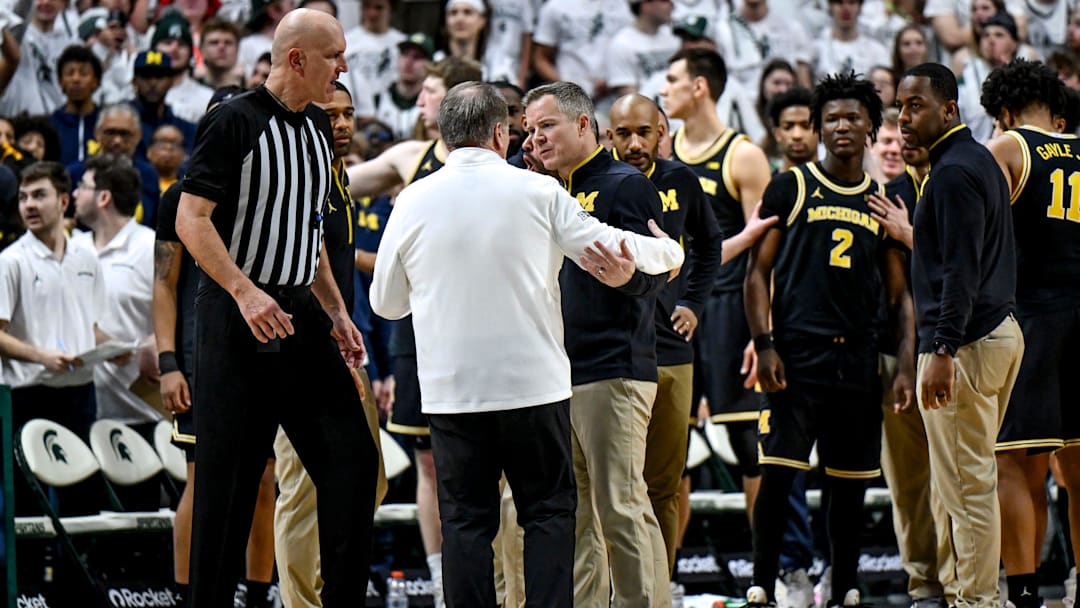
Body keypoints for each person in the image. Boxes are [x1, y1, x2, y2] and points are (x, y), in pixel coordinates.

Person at [373, 79, 684, 608]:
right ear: (501, 133)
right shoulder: (539, 192)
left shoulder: (411, 201)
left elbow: (386, 303)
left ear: (444, 135)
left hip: (453, 393)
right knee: (548, 515)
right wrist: (669, 251)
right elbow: (613, 247)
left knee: (465, 522)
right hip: (534, 389)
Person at [174, 9, 378, 607]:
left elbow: (306, 233)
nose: (343, 68)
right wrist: (244, 290)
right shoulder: (233, 120)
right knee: (229, 491)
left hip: (301, 317)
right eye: (335, 56)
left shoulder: (317, 126)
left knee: (353, 463)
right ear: (296, 58)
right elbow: (191, 219)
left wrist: (336, 313)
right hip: (235, 318)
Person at [744, 71, 915, 608]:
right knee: (778, 476)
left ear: (871, 128)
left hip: (858, 360)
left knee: (850, 485)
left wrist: (906, 364)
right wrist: (764, 343)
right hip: (796, 356)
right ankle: (763, 584)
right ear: (818, 127)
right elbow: (756, 275)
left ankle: (844, 587)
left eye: (852, 118)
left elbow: (899, 297)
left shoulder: (881, 200)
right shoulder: (791, 186)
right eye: (832, 118)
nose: (842, 126)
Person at [607, 93, 774, 606]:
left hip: (671, 351)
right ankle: (614, 591)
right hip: (609, 352)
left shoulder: (681, 180)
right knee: (612, 486)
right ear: (608, 136)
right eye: (623, 133)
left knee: (666, 480)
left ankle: (662, 586)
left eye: (644, 132)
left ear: (663, 132)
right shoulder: (593, 183)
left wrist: (694, 303)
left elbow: (709, 243)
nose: (635, 143)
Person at [523, 80, 673, 607]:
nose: (536, 138)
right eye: (530, 130)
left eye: (547, 126)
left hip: (615, 367)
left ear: (584, 124)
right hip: (558, 372)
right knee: (577, 515)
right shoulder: (544, 191)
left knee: (622, 506)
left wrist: (629, 280)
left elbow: (659, 267)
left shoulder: (623, 184)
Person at [345, 55, 483, 608]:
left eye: (430, 90)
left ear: (456, 99)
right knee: (427, 459)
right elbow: (338, 186)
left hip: (478, 323)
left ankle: (493, 575)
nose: (420, 99)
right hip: (418, 328)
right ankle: (442, 578)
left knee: (484, 458)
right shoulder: (410, 156)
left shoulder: (498, 162)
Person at [896, 61, 1025, 608]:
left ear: (949, 108)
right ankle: (970, 594)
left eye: (915, 106)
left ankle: (977, 601)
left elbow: (961, 270)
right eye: (899, 107)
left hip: (966, 344)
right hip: (998, 332)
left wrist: (943, 347)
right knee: (968, 481)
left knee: (968, 489)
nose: (903, 118)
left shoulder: (951, 173)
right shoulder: (977, 161)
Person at [273, 79, 385, 608]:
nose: (341, 124)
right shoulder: (298, 175)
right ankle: (301, 601)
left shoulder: (338, 174)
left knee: (369, 480)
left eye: (348, 114)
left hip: (342, 347)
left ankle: (331, 586)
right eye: (330, 114)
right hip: (302, 351)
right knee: (302, 489)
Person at [659, 47, 772, 533]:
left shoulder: (743, 155)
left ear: (699, 86)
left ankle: (766, 568)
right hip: (672, 310)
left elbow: (765, 253)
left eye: (672, 79)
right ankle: (666, 570)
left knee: (749, 445)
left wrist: (764, 332)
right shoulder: (662, 152)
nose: (664, 89)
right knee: (672, 450)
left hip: (728, 309)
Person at [980, 58, 1077, 608]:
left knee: (1016, 462)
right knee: (1079, 469)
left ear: (1005, 112)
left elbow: (973, 235)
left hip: (1035, 320)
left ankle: (1022, 595)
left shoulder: (1008, 148)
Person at [868, 136, 953, 608]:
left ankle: (962, 580)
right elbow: (898, 292)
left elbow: (968, 265)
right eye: (889, 138)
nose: (899, 145)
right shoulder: (889, 196)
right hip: (898, 351)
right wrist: (905, 364)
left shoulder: (959, 183)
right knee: (907, 481)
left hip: (956, 347)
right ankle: (924, 583)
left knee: (954, 477)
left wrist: (910, 234)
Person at [0, 161, 107, 515]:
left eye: (39, 195)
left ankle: (81, 557)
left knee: (84, 504)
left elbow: (91, 326)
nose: (29, 205)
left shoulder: (87, 257)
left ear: (63, 201)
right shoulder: (10, 261)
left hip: (80, 393)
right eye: (23, 197)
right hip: (28, 396)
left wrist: (117, 349)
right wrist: (42, 356)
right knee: (29, 508)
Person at [70, 155, 159, 433]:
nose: (74, 194)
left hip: (144, 413)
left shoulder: (151, 247)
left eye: (82, 186)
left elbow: (185, 314)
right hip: (82, 410)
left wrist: (157, 343)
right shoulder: (73, 248)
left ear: (104, 197)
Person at [372, 33, 433, 140]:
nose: (408, 62)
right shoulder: (379, 99)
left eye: (417, 57)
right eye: (405, 54)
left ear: (430, 65)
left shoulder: (432, 103)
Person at [50, 45, 104, 166]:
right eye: (70, 73)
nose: (76, 79)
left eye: (84, 74)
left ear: (96, 81)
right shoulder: (51, 125)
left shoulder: (105, 123)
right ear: (60, 82)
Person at [769, 87, 817, 173]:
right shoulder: (766, 180)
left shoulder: (838, 179)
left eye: (806, 126)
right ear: (777, 134)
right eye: (788, 127)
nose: (797, 135)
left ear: (820, 131)